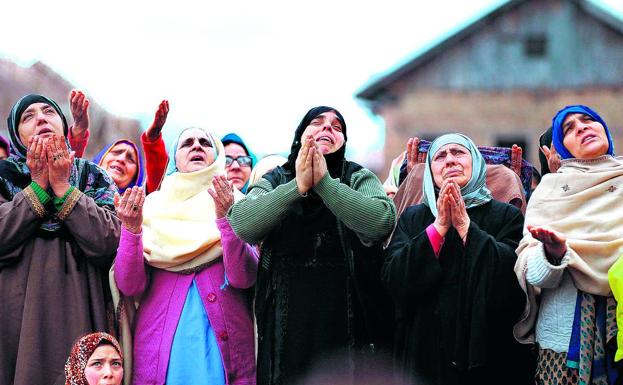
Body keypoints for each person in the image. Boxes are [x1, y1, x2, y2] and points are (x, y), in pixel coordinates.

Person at [228, 106, 396, 384]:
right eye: (317, 123)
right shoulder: (278, 178)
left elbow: (381, 221)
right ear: (301, 135)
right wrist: (298, 185)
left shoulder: (357, 177)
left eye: (337, 126)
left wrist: (325, 185)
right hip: (286, 324)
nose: (327, 128)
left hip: (348, 321)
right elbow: (244, 223)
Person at [383, 133, 533, 385]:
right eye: (440, 156)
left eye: (458, 153)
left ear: (476, 163)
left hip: (492, 358)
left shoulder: (506, 215)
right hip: (424, 358)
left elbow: (512, 283)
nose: (450, 160)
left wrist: (465, 227)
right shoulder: (413, 217)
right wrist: (439, 227)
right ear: (431, 172)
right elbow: (393, 280)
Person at [112, 127, 258, 385]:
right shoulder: (152, 206)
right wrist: (132, 230)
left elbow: (243, 277)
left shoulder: (239, 202)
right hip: (160, 348)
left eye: (204, 142)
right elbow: (129, 284)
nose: (197, 146)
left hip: (224, 349)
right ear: (175, 160)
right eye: (187, 143)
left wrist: (226, 218)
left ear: (217, 156)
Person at [0, 94, 120, 385]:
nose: (40, 118)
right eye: (27, 116)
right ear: (16, 136)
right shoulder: (2, 177)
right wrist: (38, 187)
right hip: (14, 318)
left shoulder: (93, 176)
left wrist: (64, 188)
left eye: (49, 112)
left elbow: (111, 241)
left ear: (64, 126)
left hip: (82, 309)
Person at [514, 105, 622, 385]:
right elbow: (532, 274)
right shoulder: (550, 192)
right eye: (569, 128)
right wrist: (552, 254)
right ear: (561, 147)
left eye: (588, 120)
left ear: (604, 130)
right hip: (565, 345)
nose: (582, 127)